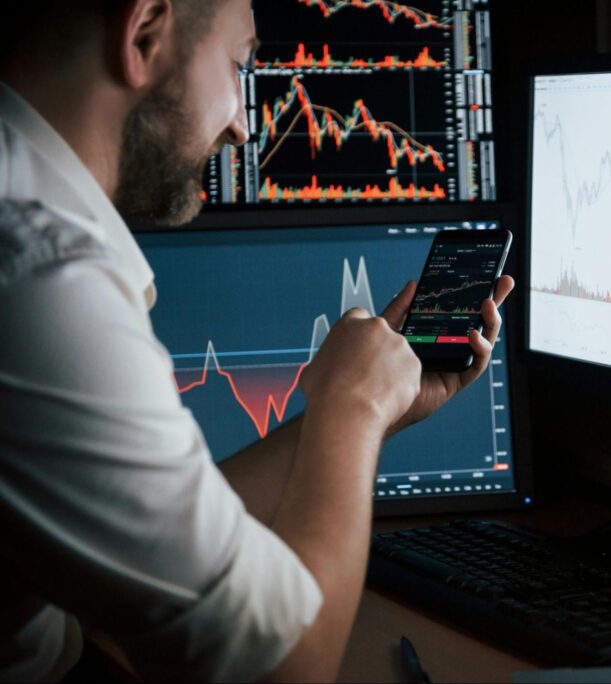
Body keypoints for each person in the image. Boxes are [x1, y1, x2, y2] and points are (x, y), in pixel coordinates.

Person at [0, 0, 514, 680]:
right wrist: (352, 407)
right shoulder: (40, 281)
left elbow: (177, 538)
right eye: (238, 64)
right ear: (145, 31)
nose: (244, 127)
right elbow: (289, 668)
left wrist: (378, 408)